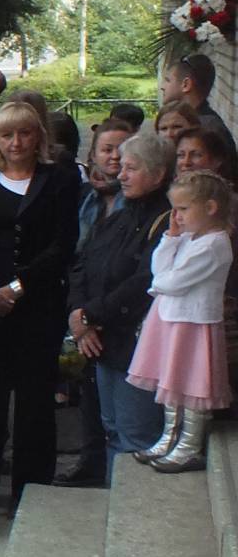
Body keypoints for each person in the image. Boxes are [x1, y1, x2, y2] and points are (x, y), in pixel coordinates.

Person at [0, 102, 79, 506]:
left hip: (38, 305)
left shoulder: (59, 179)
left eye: (25, 133)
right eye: (7, 135)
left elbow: (63, 244)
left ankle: (31, 487)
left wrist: (17, 287)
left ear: (38, 136)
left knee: (34, 399)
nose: (16, 142)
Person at [67, 132, 173, 480]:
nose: (121, 175)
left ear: (158, 174)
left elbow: (144, 281)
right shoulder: (120, 216)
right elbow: (83, 264)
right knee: (111, 428)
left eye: (132, 168)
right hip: (102, 341)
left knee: (135, 434)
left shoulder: (165, 222)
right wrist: (78, 315)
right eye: (122, 167)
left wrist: (90, 314)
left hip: (136, 346)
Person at [129, 170, 234, 474]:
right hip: (171, 319)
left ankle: (189, 445)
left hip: (194, 323)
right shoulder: (188, 238)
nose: (177, 216)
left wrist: (159, 283)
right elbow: (160, 269)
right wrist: (171, 238)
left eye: (184, 209)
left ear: (210, 208)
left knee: (192, 384)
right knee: (172, 380)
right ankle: (169, 438)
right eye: (174, 209)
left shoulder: (214, 244)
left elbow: (175, 281)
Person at [162, 51, 237, 156]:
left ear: (186, 85)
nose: (162, 86)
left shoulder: (206, 128)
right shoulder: (201, 122)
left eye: (167, 80)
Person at [77, 119, 133, 247]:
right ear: (93, 155)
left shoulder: (140, 196)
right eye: (107, 150)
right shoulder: (82, 194)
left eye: (122, 150)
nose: (115, 156)